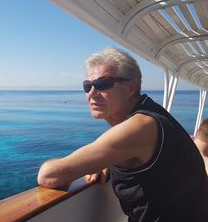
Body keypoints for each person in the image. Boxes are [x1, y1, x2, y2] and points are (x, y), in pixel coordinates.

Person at [37, 47, 208, 221]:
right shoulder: (152, 114)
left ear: (131, 86)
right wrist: (106, 161)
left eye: (103, 84)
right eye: (87, 86)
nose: (92, 93)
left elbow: (49, 176)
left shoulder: (140, 127)